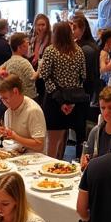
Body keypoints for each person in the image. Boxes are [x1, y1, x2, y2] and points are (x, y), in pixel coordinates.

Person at [38, 21, 87, 158]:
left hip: (55, 100)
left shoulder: (51, 51)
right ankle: (60, 165)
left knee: (52, 141)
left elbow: (45, 76)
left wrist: (60, 101)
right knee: (63, 139)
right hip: (73, 99)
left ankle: (50, 168)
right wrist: (70, 103)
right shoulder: (78, 51)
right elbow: (82, 77)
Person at [0, 74, 47, 153]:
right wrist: (1, 135)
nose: (4, 102)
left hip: (34, 158)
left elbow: (39, 145)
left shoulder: (33, 110)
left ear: (15, 91)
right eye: (2, 99)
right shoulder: (8, 111)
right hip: (18, 153)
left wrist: (15, 137)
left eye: (5, 98)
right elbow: (8, 140)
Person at [0, 32, 37, 99]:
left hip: (14, 96)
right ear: (19, 47)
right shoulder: (24, 62)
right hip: (27, 97)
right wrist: (40, 70)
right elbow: (32, 78)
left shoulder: (9, 61)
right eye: (27, 44)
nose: (29, 46)